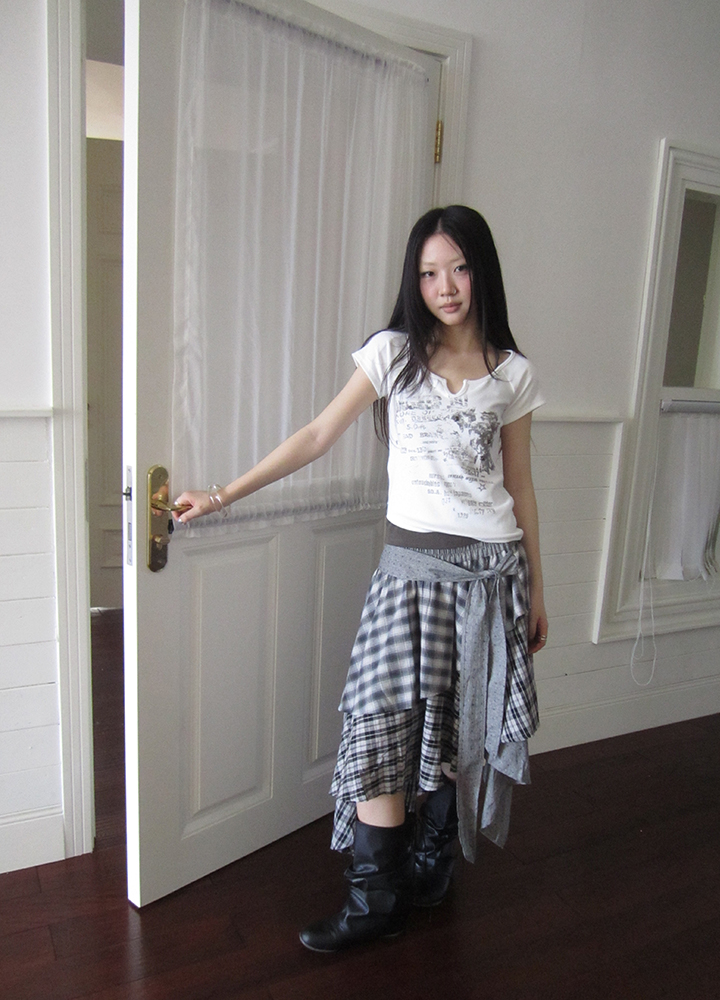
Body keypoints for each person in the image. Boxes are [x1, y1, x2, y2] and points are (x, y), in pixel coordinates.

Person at [175, 205, 548, 953]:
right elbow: (317, 434)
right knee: (376, 719)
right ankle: (376, 898)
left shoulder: (513, 373)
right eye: (429, 273)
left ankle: (431, 869)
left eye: (459, 268)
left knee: (456, 731)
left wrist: (539, 590)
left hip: (490, 579)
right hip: (408, 577)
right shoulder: (393, 353)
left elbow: (521, 485)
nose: (446, 287)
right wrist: (221, 495)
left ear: (482, 270)